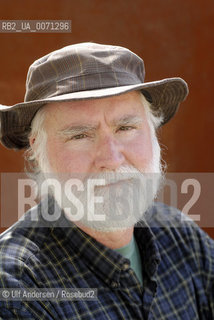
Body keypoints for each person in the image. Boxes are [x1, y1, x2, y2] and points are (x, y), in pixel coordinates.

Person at [0, 42, 213, 320]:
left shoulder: (182, 237)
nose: (111, 159)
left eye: (126, 128)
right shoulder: (17, 286)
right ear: (37, 150)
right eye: (80, 135)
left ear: (153, 134)